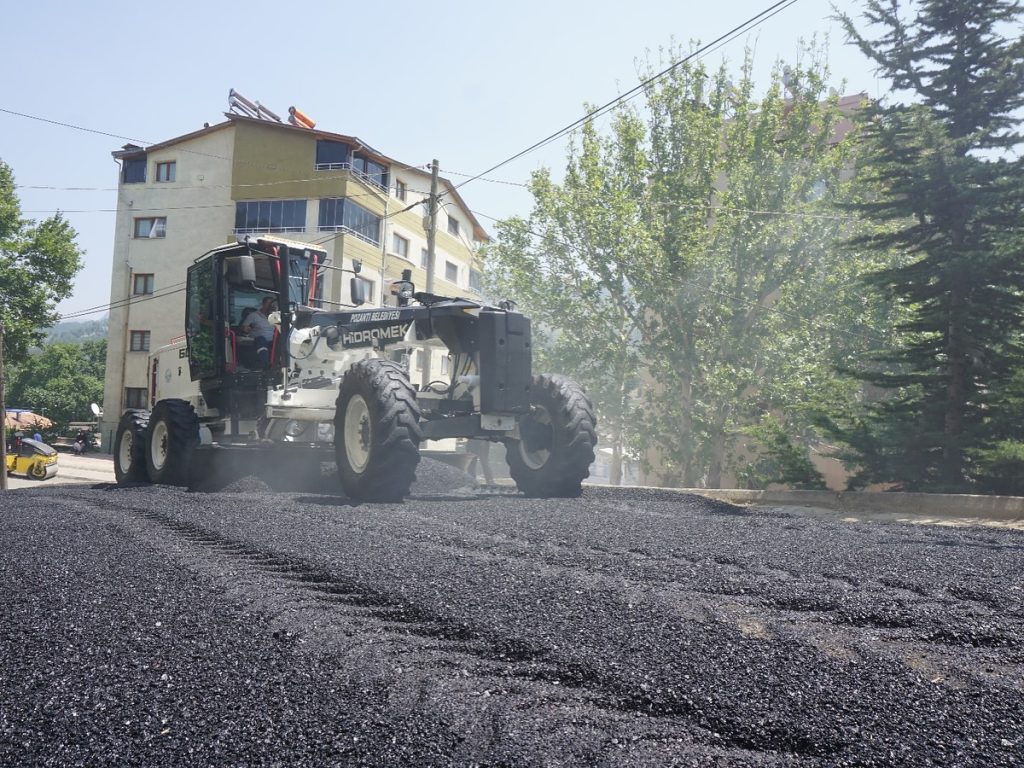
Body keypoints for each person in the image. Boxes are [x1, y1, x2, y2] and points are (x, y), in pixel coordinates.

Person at [241, 297, 277, 367]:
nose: (270, 306)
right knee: (261, 339)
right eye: (268, 304)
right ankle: (265, 364)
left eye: (272, 304)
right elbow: (243, 327)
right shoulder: (253, 315)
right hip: (258, 341)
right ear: (263, 304)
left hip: (273, 341)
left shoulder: (276, 316)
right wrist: (245, 328)